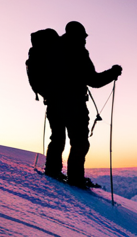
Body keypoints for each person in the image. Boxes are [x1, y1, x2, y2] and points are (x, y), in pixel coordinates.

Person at [44, 21, 122, 188]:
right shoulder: (78, 51)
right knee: (79, 142)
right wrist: (113, 73)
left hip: (53, 103)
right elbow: (94, 80)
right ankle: (75, 179)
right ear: (79, 35)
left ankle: (52, 171)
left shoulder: (53, 49)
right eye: (84, 36)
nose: (85, 40)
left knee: (57, 138)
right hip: (74, 105)